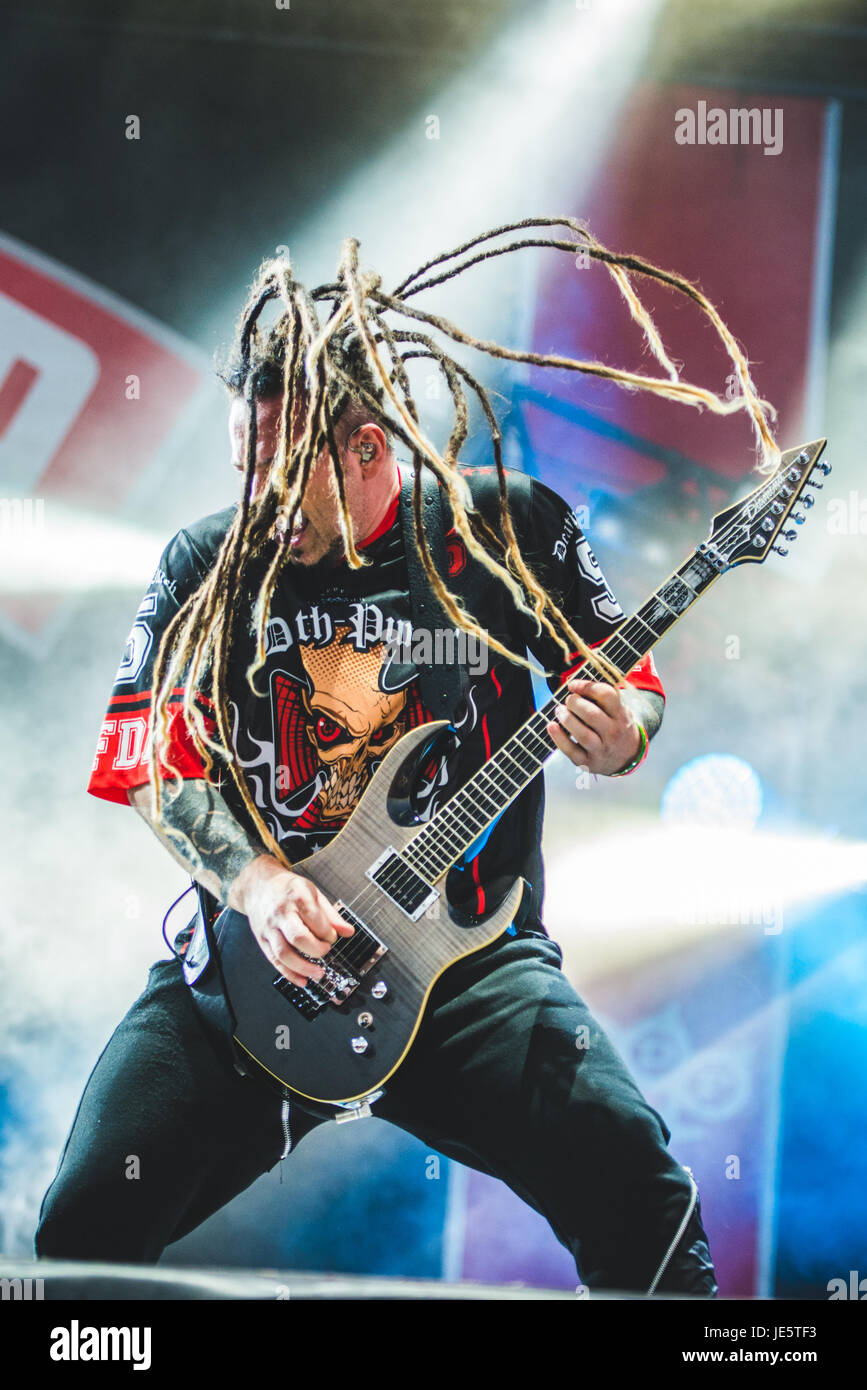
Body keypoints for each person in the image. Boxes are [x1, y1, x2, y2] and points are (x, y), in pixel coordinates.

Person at [34, 296, 717, 1296]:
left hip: (465, 970)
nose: (254, 498)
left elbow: (631, 690)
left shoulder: (504, 527)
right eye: (241, 464)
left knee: (641, 1193)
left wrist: (623, 734)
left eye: (276, 470)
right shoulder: (208, 566)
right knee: (83, 1228)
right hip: (262, 966)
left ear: (364, 447)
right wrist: (261, 885)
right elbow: (159, 769)